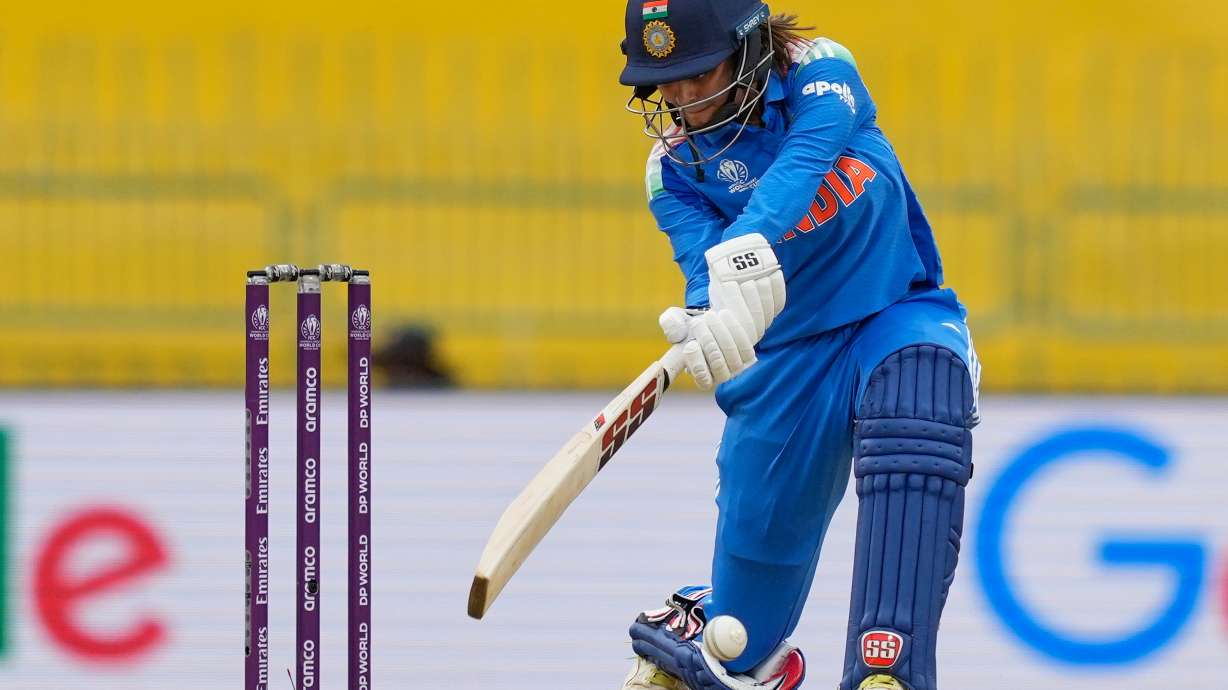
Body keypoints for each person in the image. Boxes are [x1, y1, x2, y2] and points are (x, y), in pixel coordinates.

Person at [616, 2, 982, 689]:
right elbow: (703, 274)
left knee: (920, 393)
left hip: (892, 312)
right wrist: (710, 324)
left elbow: (806, 159)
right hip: (784, 368)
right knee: (738, 649)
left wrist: (745, 250)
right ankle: (704, 622)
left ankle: (887, 671)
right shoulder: (670, 174)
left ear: (751, 49)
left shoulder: (821, 76)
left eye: (701, 72)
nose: (686, 98)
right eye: (669, 82)